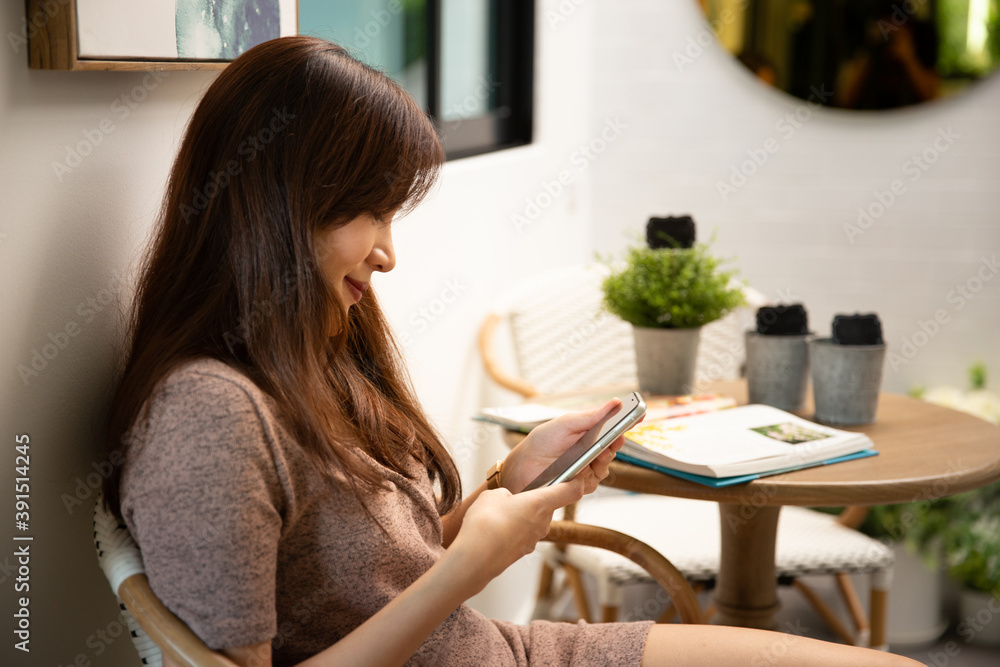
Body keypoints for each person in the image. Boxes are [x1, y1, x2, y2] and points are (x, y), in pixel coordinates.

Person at [102, 35, 922, 667]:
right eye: (370, 214)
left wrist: (511, 483)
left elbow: (369, 584)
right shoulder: (208, 417)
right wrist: (473, 562)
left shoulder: (312, 351)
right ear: (276, 206)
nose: (389, 254)